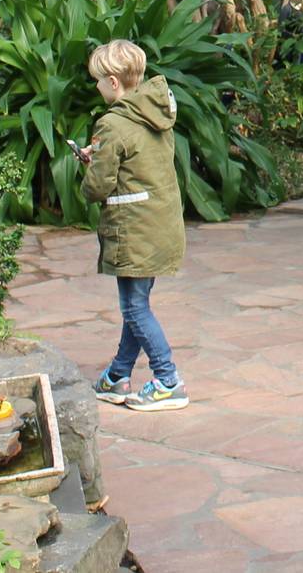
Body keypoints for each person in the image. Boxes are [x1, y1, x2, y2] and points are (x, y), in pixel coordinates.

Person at [78, 39, 190, 412]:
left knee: (134, 308)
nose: (96, 86)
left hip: (133, 229)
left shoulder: (112, 124)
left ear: (113, 82)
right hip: (159, 224)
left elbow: (98, 186)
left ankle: (168, 380)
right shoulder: (156, 113)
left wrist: (89, 167)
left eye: (98, 80)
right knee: (136, 304)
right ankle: (117, 375)